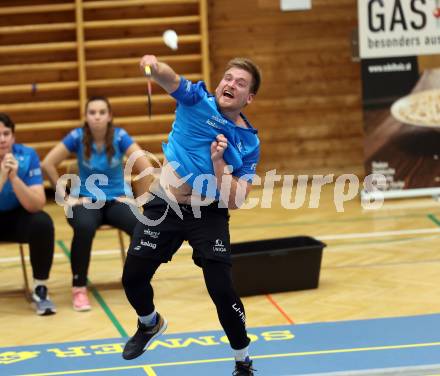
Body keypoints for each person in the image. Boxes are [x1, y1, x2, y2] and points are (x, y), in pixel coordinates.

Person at [121, 57, 261, 376]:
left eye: (240, 83)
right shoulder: (197, 100)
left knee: (222, 290)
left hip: (208, 212)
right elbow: (171, 80)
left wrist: (219, 164)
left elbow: (236, 200)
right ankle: (149, 324)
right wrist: (155, 66)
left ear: (249, 97)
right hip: (165, 202)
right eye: (228, 78)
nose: (230, 84)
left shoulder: (248, 142)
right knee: (132, 278)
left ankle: (243, 360)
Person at [42, 96, 152, 312]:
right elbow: (47, 164)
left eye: (102, 112)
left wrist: (138, 200)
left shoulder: (120, 137)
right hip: (85, 200)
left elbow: (146, 167)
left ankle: (136, 280)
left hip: (116, 200)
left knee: (140, 226)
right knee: (84, 227)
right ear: (86, 116)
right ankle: (79, 287)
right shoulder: (77, 136)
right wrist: (66, 198)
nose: (97, 116)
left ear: (110, 116)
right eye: (92, 112)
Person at [0, 113, 56, 315]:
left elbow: (37, 203)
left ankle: (40, 288)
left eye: (6, 133)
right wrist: (2, 177)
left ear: (13, 137)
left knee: (42, 222)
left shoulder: (27, 155)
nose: (2, 139)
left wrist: (14, 179)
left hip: (17, 217)